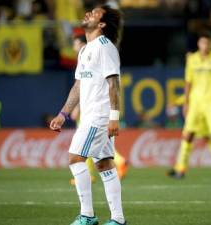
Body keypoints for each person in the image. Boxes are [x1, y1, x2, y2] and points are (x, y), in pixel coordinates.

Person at [49, 5, 126, 225]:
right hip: (92, 114)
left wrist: (113, 117)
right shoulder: (85, 50)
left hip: (98, 116)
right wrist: (63, 113)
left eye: (94, 13)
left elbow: (114, 84)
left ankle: (87, 216)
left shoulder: (105, 47)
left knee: (75, 157)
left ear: (101, 24)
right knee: (104, 164)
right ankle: (118, 220)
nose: (88, 14)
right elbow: (78, 85)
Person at [168, 32, 211, 179]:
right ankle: (180, 169)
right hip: (195, 103)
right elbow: (188, 82)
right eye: (202, 43)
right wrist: (185, 103)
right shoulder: (192, 59)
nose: (205, 46)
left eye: (207, 43)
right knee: (188, 135)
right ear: (199, 44)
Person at [69, 28, 128, 185]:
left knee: (81, 152)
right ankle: (114, 209)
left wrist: (76, 108)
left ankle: (86, 206)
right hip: (95, 112)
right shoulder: (84, 55)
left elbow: (97, 87)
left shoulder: (99, 51)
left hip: (95, 113)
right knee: (99, 154)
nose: (74, 47)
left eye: (75, 43)